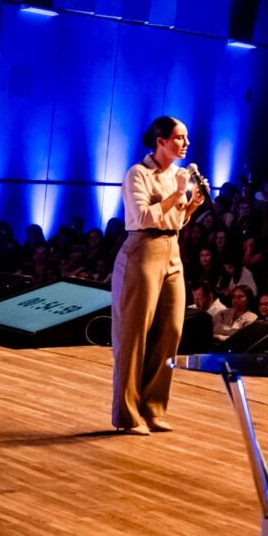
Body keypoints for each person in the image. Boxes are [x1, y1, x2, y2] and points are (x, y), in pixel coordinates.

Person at [109, 115, 207, 434]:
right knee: (134, 332)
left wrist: (191, 206)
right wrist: (177, 195)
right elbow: (142, 217)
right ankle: (127, 414)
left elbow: (175, 220)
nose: (186, 143)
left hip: (172, 250)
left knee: (171, 330)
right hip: (142, 250)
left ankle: (153, 407)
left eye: (186, 137)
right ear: (160, 140)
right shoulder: (138, 173)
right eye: (179, 137)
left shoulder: (178, 175)